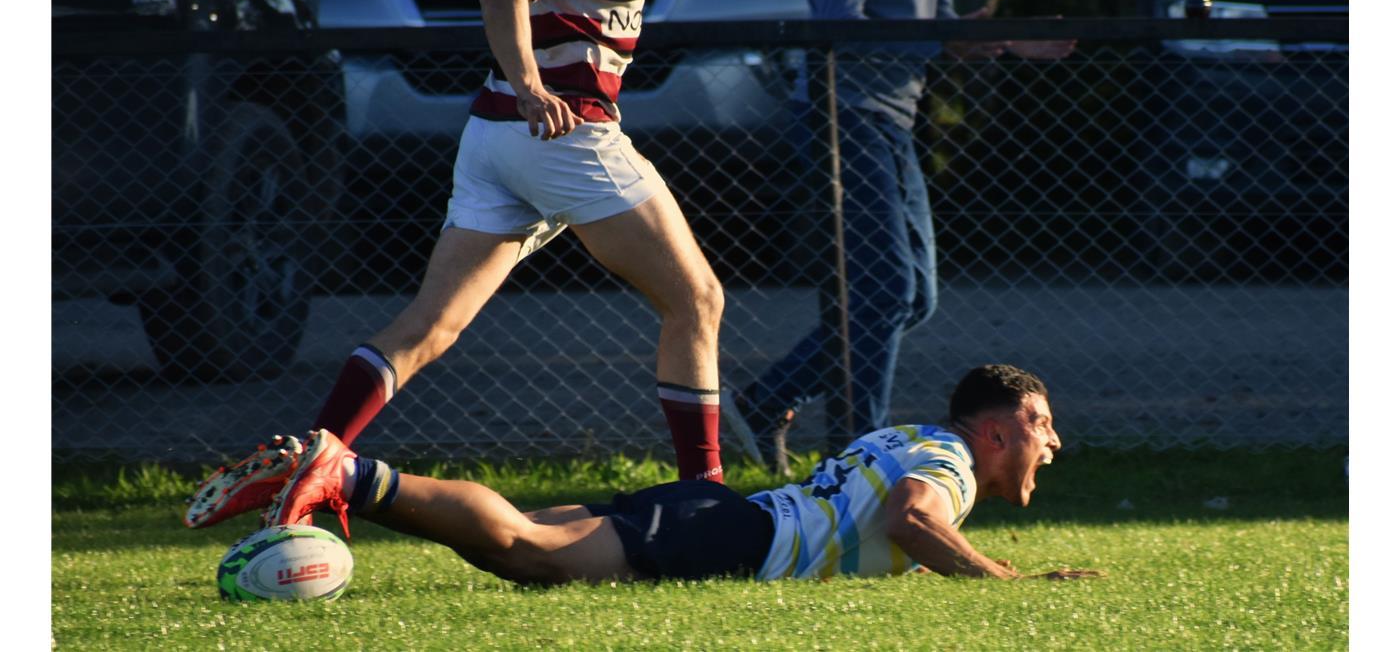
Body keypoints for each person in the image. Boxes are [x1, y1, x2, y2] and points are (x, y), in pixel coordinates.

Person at [183, 0, 815, 529]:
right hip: (565, 136)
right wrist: (532, 86)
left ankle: (315, 463)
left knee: (431, 326)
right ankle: (703, 497)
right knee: (697, 298)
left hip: (496, 141)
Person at [726, 0, 1074, 474]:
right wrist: (946, 41)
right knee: (886, 290)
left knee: (915, 298)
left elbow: (934, 27)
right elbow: (837, 23)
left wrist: (989, 38)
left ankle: (766, 402)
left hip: (896, 119)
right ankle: (859, 457)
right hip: (844, 114)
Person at [215, 364, 1100, 585]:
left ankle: (340, 483)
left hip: (720, 511)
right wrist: (998, 579)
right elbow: (911, 520)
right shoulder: (949, 462)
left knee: (517, 545)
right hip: (732, 534)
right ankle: (349, 471)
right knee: (527, 548)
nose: (1053, 445)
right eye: (1044, 426)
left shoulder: (910, 432)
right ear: (1000, 426)